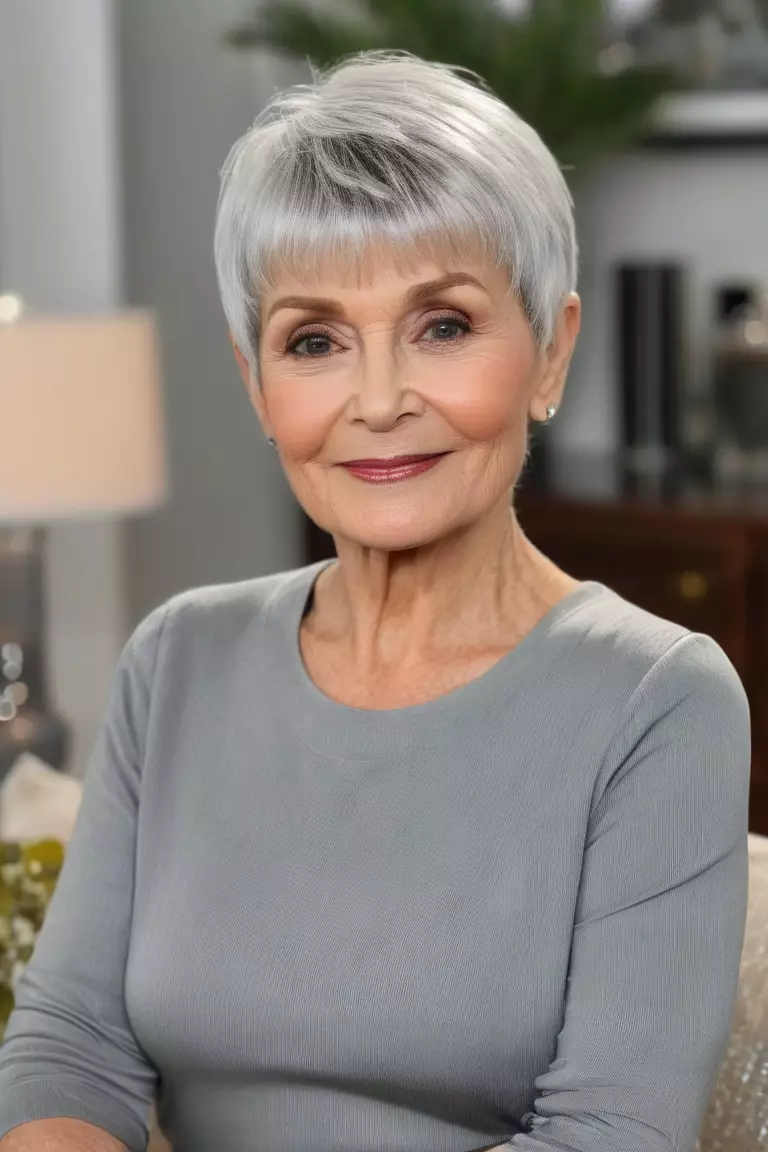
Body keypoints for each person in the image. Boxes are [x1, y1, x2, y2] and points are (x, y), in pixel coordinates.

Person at [0, 49, 750, 1152]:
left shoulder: (659, 701)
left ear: (551, 352)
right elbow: (71, 1045)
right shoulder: (179, 661)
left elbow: (611, 1133)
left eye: (442, 325)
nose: (382, 399)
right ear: (258, 384)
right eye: (316, 341)